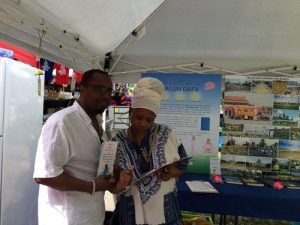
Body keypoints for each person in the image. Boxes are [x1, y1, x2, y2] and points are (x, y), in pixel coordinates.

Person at [33, 69, 133, 225]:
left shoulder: (98, 123)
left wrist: (115, 175)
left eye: (108, 91)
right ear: (82, 89)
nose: (105, 95)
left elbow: (90, 170)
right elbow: (45, 175)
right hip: (66, 219)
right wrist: (92, 186)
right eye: (99, 89)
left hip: (91, 217)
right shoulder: (63, 123)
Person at [111, 77, 188, 225]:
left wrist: (172, 172)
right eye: (139, 117)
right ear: (130, 112)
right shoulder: (116, 143)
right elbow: (111, 187)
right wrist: (121, 182)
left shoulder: (166, 133)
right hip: (130, 215)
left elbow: (183, 165)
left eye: (149, 119)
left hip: (165, 215)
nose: (143, 123)